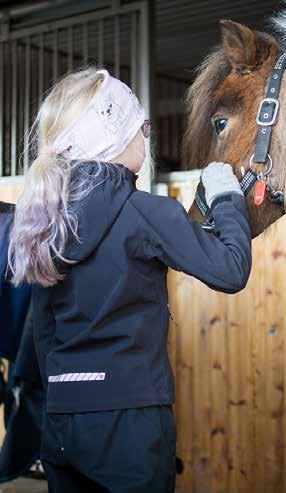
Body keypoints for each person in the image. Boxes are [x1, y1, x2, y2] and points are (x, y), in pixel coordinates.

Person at [8, 68, 252, 492]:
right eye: (142, 127)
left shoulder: (45, 223)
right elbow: (230, 269)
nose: (147, 137)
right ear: (116, 138)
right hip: (131, 421)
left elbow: (43, 332)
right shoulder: (147, 213)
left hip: (62, 420)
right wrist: (228, 198)